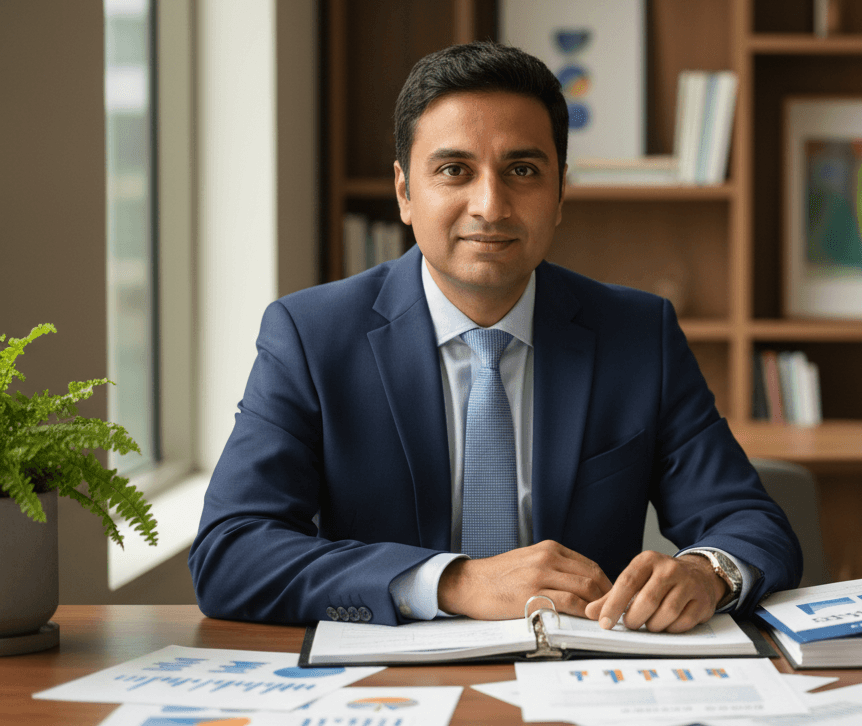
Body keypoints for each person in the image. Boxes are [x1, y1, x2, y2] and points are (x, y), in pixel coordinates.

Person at [189, 41, 802, 632]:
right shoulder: (312, 336)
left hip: (583, 676)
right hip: (391, 683)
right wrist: (453, 582)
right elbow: (231, 553)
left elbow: (748, 522)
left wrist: (708, 570)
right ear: (405, 191)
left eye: (523, 170)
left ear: (560, 192)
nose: (491, 204)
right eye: (455, 170)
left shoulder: (638, 335)